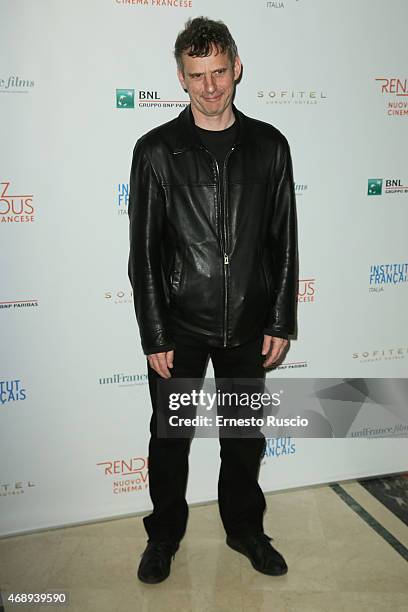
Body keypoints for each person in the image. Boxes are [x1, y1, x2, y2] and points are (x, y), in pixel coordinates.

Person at [127, 16, 298, 584]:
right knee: (170, 440)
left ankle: (246, 529)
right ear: (181, 77)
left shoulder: (270, 146)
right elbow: (143, 253)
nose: (210, 86)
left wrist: (279, 317)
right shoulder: (155, 151)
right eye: (197, 74)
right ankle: (164, 537)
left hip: (249, 323)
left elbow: (284, 241)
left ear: (237, 67)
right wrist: (154, 333)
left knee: (244, 439)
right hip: (179, 326)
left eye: (219, 71)